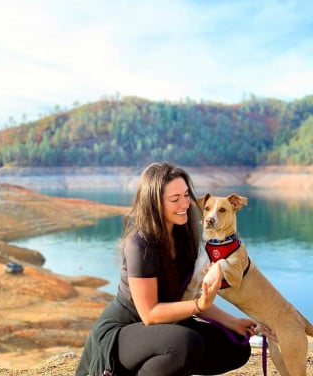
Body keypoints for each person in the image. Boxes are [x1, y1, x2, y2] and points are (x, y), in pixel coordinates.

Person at [76, 161, 258, 376]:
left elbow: (189, 296)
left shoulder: (184, 236)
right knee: (184, 344)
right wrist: (199, 304)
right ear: (154, 204)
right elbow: (150, 314)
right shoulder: (140, 244)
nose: (185, 204)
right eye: (175, 199)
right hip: (123, 332)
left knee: (235, 346)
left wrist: (232, 322)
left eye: (186, 195)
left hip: (164, 328)